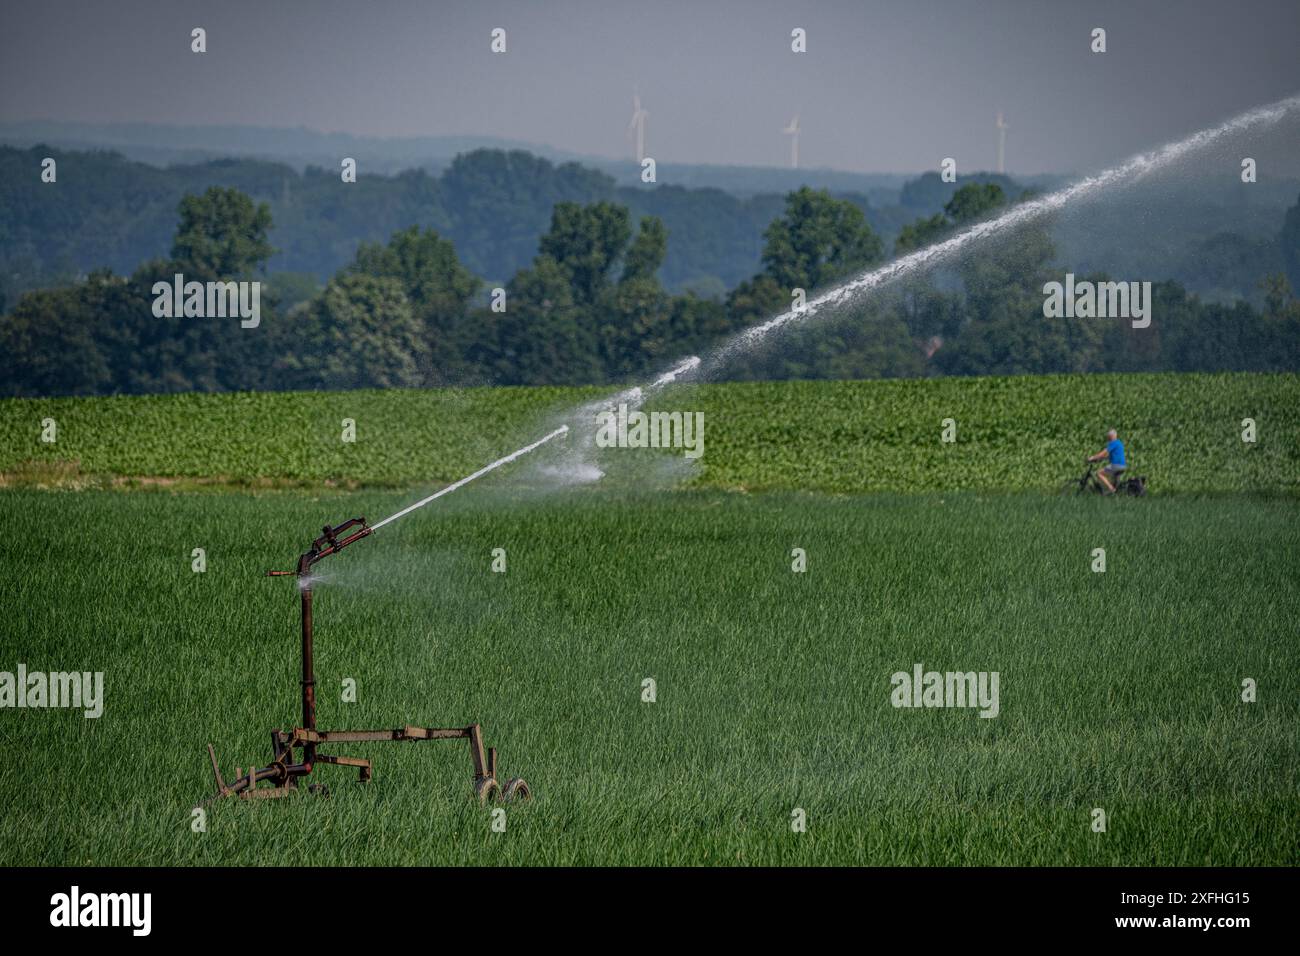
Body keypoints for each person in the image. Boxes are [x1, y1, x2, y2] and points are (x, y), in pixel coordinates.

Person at [1087, 429, 1127, 494]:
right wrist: (1099, 459)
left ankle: (1111, 489)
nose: (1108, 438)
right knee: (1114, 481)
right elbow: (1108, 456)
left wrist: (1093, 457)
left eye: (1108, 436)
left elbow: (1104, 452)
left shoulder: (1113, 443)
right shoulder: (1119, 443)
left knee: (1099, 473)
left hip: (1116, 465)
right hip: (1122, 466)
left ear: (1112, 436)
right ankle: (1114, 492)